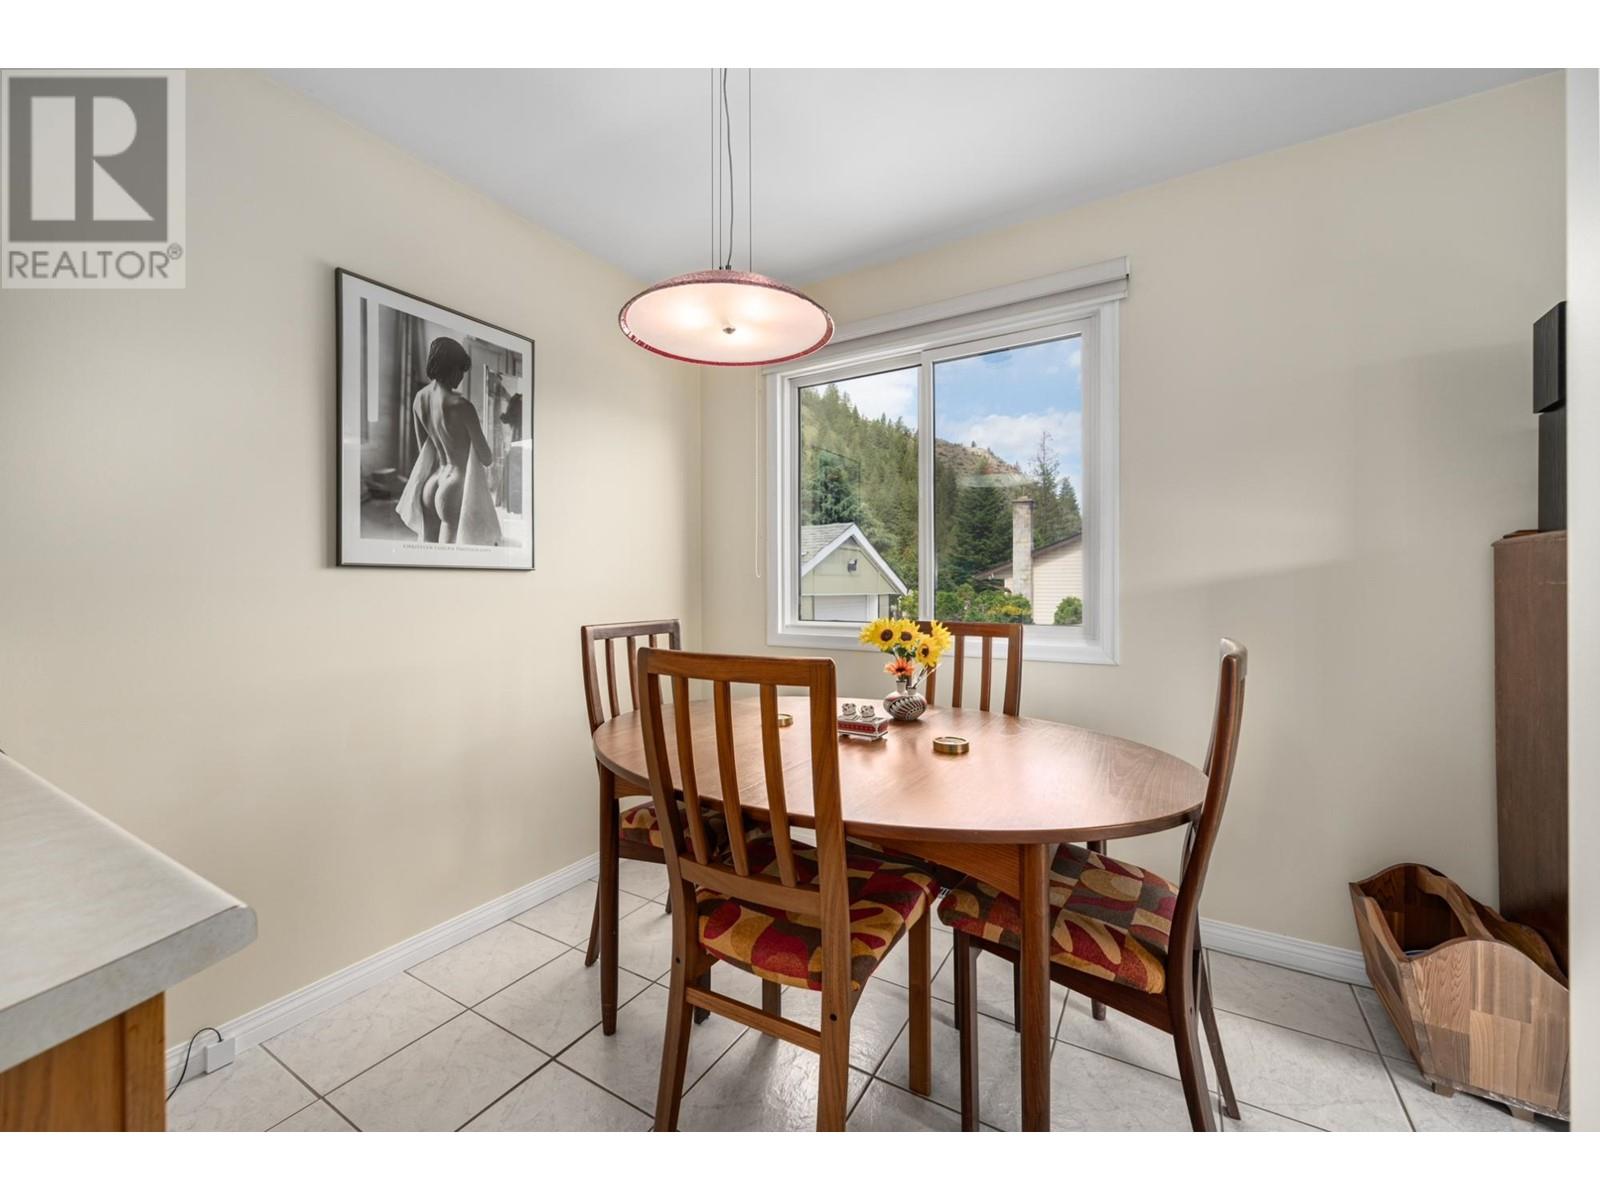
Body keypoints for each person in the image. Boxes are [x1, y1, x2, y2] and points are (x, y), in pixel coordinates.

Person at [396, 336, 502, 546]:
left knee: (427, 549)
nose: (461, 377)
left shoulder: (419, 399)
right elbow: (486, 457)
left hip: (432, 482)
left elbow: (424, 449)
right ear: (450, 367)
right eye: (460, 370)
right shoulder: (462, 406)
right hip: (455, 485)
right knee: (450, 556)